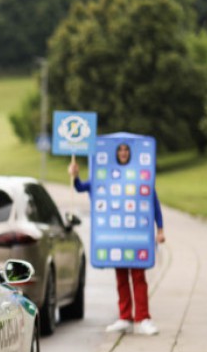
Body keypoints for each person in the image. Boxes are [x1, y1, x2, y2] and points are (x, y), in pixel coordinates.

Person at [68, 143, 166, 335]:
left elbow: (153, 202)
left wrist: (160, 229)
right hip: (117, 238)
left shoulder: (140, 175)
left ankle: (143, 318)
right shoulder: (104, 176)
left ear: (130, 153)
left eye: (126, 150)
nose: (123, 153)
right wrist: (75, 174)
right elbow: (81, 187)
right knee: (121, 277)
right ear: (116, 153)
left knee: (138, 277)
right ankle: (125, 317)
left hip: (137, 236)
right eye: (120, 150)